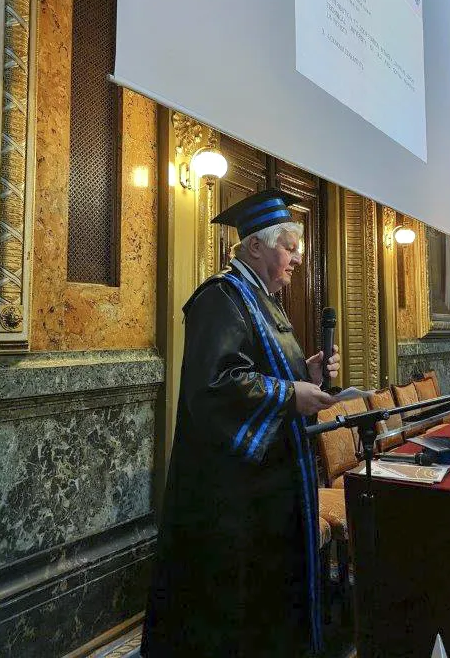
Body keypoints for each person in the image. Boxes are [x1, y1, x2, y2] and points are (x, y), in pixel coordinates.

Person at [141, 189, 340, 657]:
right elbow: (217, 385)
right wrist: (291, 394)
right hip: (234, 498)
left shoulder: (265, 300)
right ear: (254, 246)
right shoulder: (221, 298)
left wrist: (307, 375)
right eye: (289, 248)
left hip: (269, 488)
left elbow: (263, 373)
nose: (298, 259)